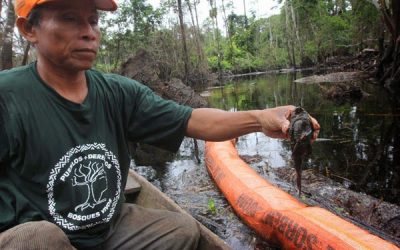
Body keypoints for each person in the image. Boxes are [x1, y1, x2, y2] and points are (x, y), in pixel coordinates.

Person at [0, 0, 320, 249]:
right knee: (39, 239)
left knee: (183, 231)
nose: (89, 32)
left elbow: (194, 119)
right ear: (29, 29)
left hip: (106, 229)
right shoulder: (8, 96)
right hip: (41, 234)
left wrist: (261, 118)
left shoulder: (118, 93)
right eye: (70, 19)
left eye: (93, 20)